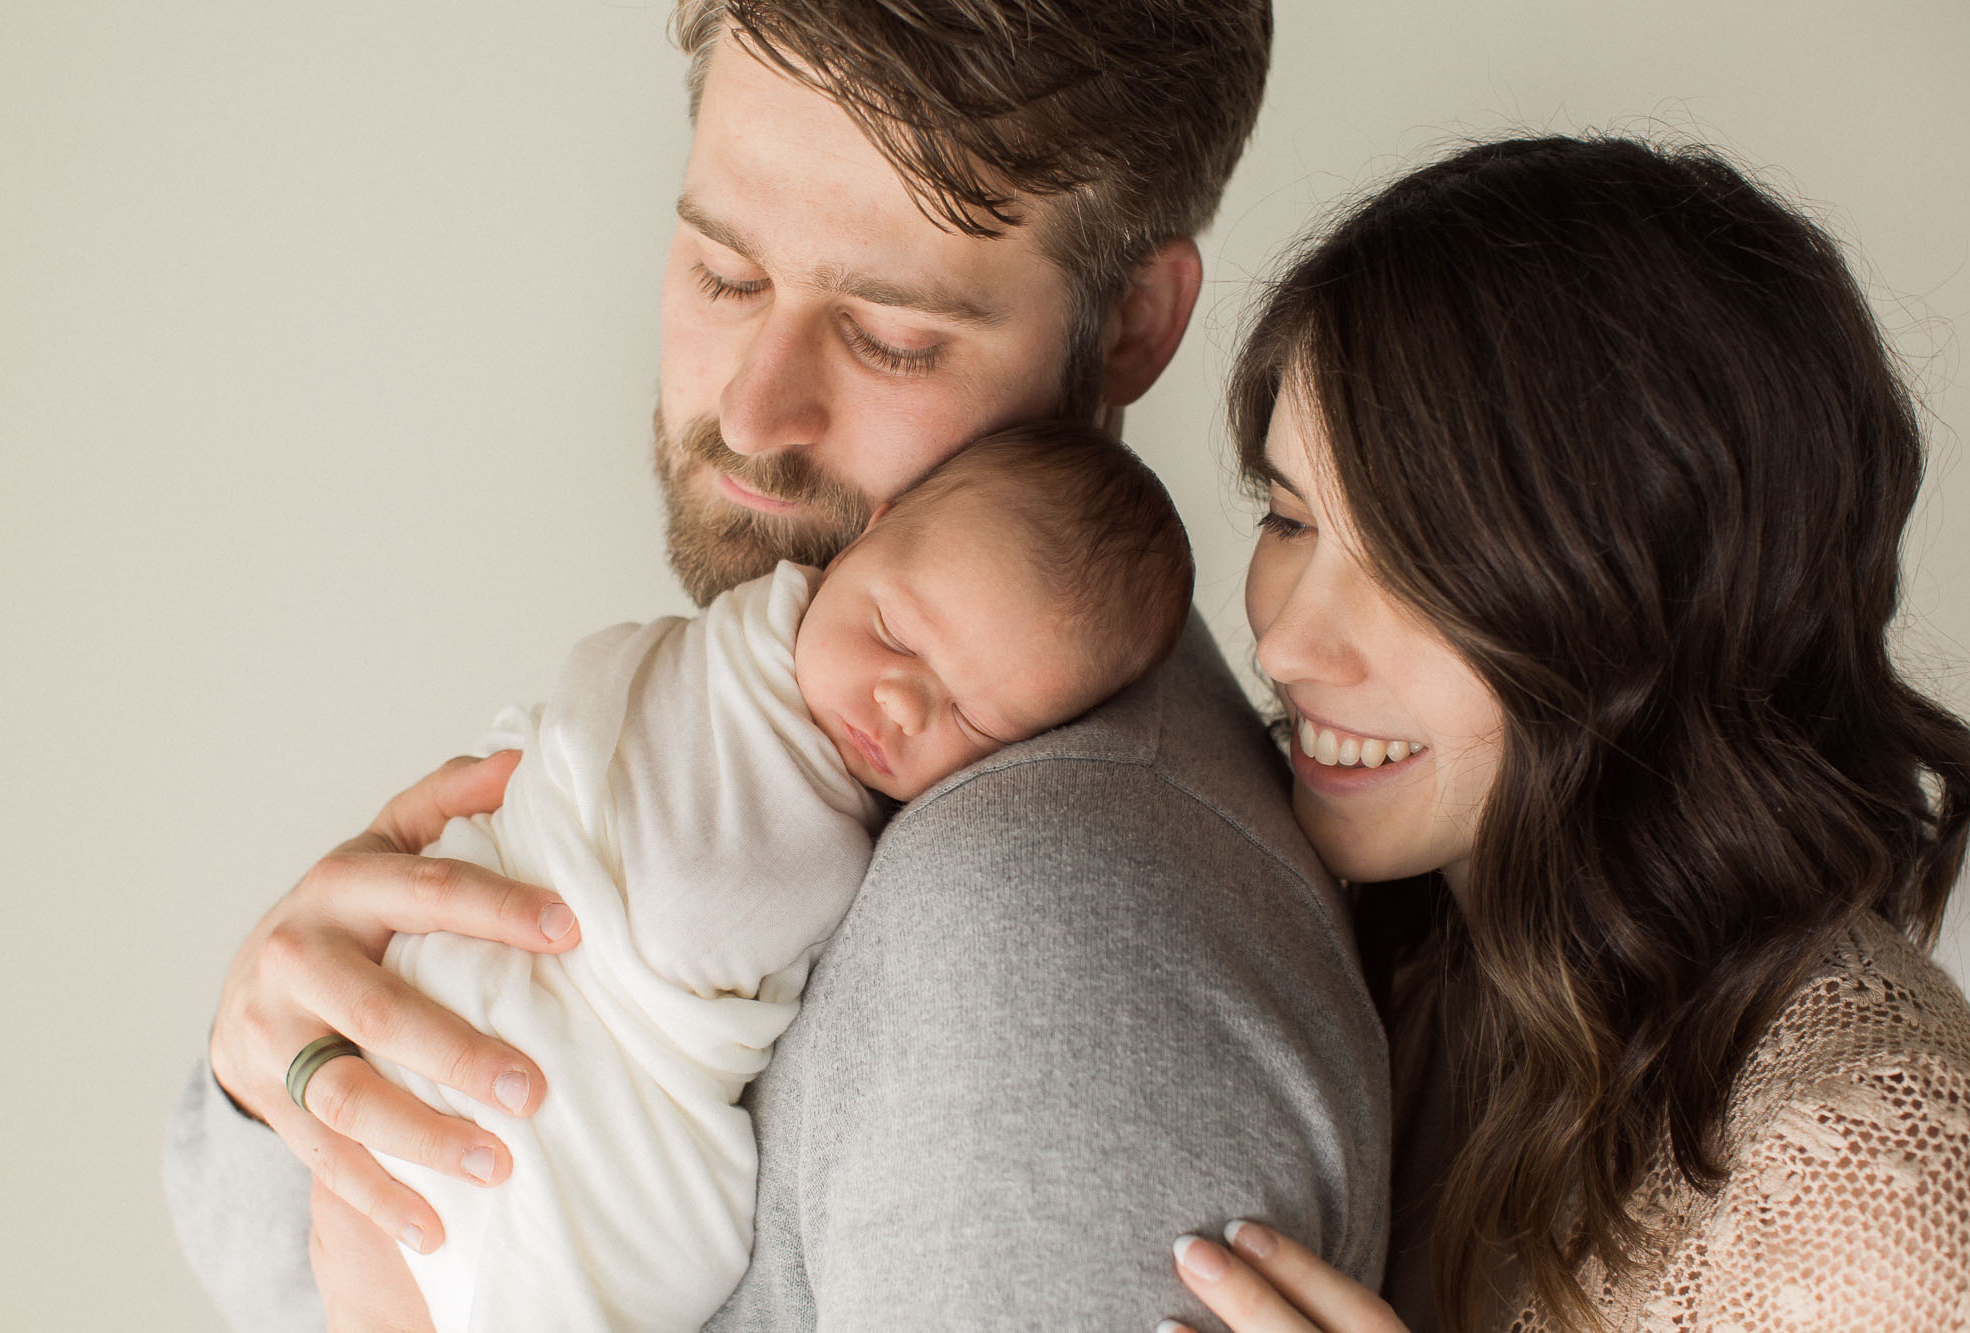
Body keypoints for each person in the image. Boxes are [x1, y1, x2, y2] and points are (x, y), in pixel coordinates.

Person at [164, 3, 1393, 1330]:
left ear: (1135, 327)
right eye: (723, 275)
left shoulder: (1043, 929)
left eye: (892, 335)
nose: (752, 414)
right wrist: (284, 1073)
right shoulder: (772, 747)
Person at [1151, 135, 1970, 1331]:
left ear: (1656, 609)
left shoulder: (1865, 1193)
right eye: (1287, 520)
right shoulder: (1386, 945)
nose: (1285, 645)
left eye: (1416, 572)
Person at [360, 425, 1196, 1333]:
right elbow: (673, 885)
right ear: (865, 537)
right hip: (509, 959)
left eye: (975, 716)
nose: (900, 703)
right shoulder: (741, 655)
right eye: (895, 632)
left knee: (654, 1232)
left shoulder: (980, 859)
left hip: (591, 1073)